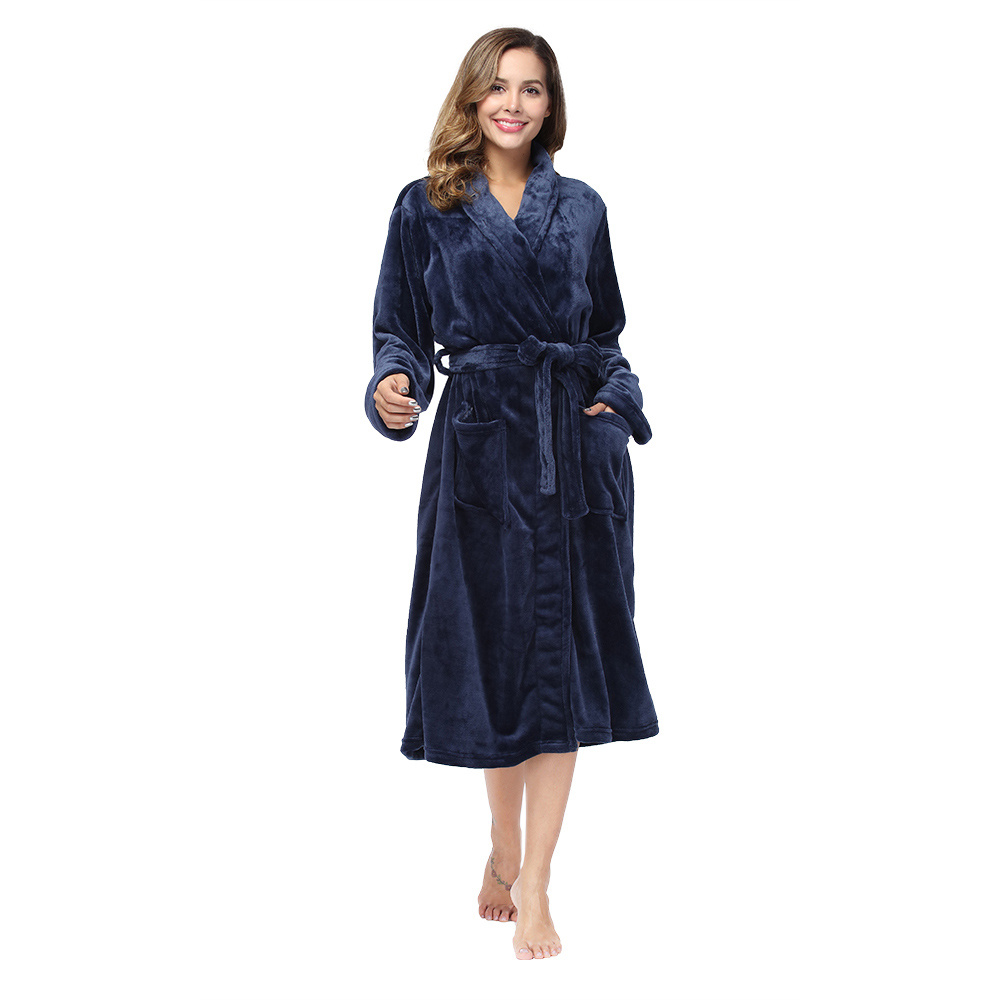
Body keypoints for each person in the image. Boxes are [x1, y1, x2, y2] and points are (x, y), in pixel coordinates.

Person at [365, 27, 659, 961]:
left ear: (550, 105)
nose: (513, 104)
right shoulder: (425, 207)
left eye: (532, 89)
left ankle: (536, 881)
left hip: (572, 454)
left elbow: (606, 335)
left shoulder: (583, 208)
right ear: (472, 96)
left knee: (560, 661)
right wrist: (393, 384)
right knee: (495, 658)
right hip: (481, 454)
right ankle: (501, 843)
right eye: (498, 86)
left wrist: (614, 406)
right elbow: (400, 329)